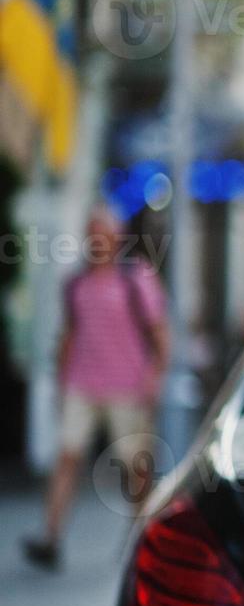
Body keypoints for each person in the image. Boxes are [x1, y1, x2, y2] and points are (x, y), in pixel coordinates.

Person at [22, 205, 169, 569]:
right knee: (67, 457)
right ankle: (51, 537)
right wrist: (60, 382)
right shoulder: (76, 283)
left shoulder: (135, 279)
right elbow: (69, 336)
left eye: (102, 233)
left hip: (127, 387)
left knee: (135, 467)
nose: (97, 240)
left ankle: (140, 536)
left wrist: (154, 379)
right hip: (82, 385)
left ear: (116, 237)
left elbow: (160, 334)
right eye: (92, 233)